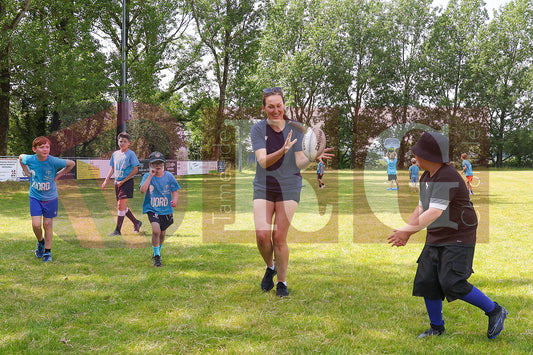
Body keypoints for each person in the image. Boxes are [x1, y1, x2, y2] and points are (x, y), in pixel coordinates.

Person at [387, 132, 508, 339]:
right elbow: (422, 207)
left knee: (452, 281)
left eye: (418, 153)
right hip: (438, 234)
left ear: (429, 155)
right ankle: (437, 328)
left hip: (459, 235)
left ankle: (495, 310)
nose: (415, 156)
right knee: (428, 280)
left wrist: (407, 231)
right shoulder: (427, 176)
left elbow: (434, 212)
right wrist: (407, 231)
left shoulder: (447, 176)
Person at [251, 86, 334, 297]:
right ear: (264, 108)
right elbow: (262, 162)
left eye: (279, 105)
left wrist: (314, 156)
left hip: (289, 186)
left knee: (279, 237)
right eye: (271, 106)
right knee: (262, 237)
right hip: (264, 186)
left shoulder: (296, 128)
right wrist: (282, 150)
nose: (276, 110)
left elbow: (299, 162)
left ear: (284, 105)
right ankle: (270, 267)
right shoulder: (258, 129)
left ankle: (282, 283)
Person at [18, 136, 75, 262]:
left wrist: (59, 175)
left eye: (47, 147)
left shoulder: (53, 161)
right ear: (34, 149)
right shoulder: (30, 159)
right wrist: (26, 171)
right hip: (35, 196)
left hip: (50, 198)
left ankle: (47, 252)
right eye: (41, 147)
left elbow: (72, 164)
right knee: (36, 224)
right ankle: (40, 242)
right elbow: (21, 157)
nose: (45, 149)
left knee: (47, 224)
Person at [139, 151, 180, 267]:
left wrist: (175, 200)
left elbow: (175, 191)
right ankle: (157, 257)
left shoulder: (169, 176)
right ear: (150, 165)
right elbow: (142, 190)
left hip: (166, 209)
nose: (158, 166)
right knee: (156, 231)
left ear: (164, 165)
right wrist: (150, 176)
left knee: (162, 234)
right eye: (155, 163)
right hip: (152, 208)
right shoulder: (147, 176)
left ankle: (156, 251)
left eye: (160, 164)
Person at [102, 132, 142, 236]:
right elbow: (112, 168)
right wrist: (106, 180)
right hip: (117, 183)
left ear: (129, 143)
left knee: (121, 205)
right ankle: (136, 223)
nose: (122, 143)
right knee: (121, 206)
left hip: (126, 183)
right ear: (118, 142)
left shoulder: (131, 154)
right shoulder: (115, 154)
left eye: (125, 141)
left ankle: (117, 230)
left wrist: (123, 181)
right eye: (120, 141)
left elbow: (135, 170)